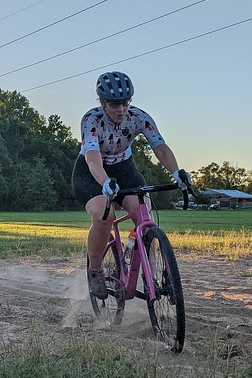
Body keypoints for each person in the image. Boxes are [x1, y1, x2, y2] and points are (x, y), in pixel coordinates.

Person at [72, 71, 189, 299]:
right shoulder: (91, 120)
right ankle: (95, 270)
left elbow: (160, 147)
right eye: (114, 104)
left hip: (125, 169)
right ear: (102, 103)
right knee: (104, 216)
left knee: (144, 214)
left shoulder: (139, 117)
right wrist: (105, 182)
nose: (121, 109)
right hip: (91, 171)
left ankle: (151, 274)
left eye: (125, 102)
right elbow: (93, 159)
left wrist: (176, 172)